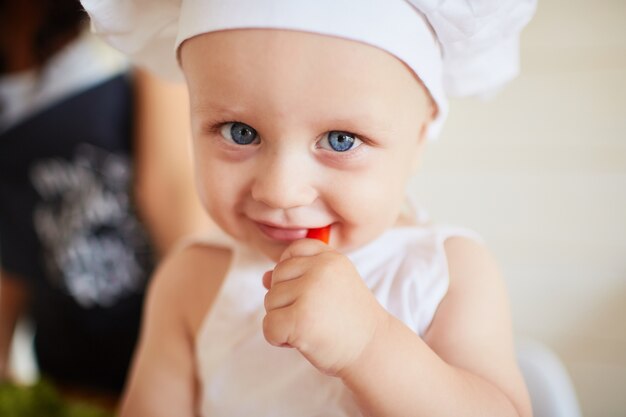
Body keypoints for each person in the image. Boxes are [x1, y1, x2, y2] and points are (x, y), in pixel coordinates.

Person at [82, 0, 537, 415]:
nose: (280, 192)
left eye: (341, 140)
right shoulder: (189, 282)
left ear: (420, 137)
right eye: (239, 132)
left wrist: (367, 345)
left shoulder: (446, 274)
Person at [0, 0, 210, 408]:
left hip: (157, 360)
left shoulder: (132, 22)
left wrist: (198, 356)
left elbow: (169, 193)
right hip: (67, 371)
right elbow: (9, 245)